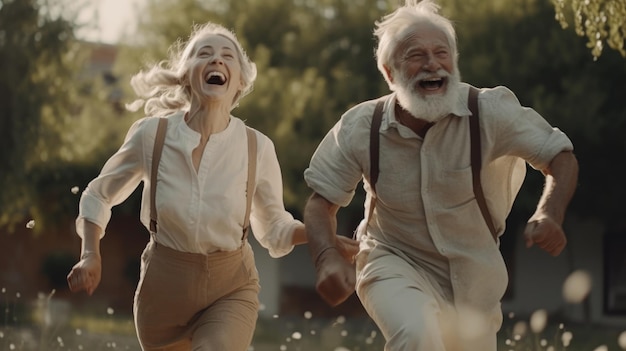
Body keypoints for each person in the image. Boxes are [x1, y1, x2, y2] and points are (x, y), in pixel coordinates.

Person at [303, 0, 579, 350]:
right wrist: (326, 256)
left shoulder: (489, 112)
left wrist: (549, 212)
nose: (432, 64)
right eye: (415, 55)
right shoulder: (361, 127)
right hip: (392, 260)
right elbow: (320, 204)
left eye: (441, 52)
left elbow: (559, 155)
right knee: (417, 333)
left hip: (476, 283)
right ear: (389, 73)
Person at [66, 22, 357, 351]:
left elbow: (275, 229)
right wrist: (91, 255)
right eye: (204, 54)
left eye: (227, 56)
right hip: (162, 296)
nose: (217, 60)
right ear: (186, 75)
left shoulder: (256, 148)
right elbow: (98, 195)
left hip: (230, 288)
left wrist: (325, 238)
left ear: (240, 81)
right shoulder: (152, 136)